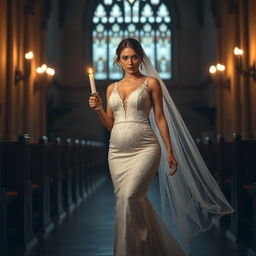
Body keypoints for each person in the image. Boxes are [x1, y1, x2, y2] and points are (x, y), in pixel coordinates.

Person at [89, 38, 234, 256]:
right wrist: (99, 108)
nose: (130, 62)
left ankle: (137, 245)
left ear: (141, 58)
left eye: (134, 57)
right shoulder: (111, 88)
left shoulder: (151, 83)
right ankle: (144, 249)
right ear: (118, 60)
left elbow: (160, 118)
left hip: (146, 148)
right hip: (117, 152)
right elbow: (110, 124)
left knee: (130, 197)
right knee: (126, 203)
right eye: (125, 58)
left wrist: (170, 150)